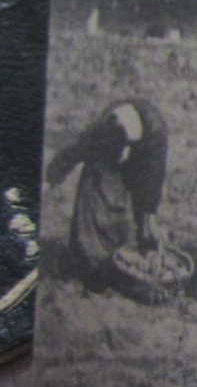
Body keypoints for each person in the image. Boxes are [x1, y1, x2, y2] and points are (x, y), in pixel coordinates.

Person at [45, 98, 169, 287]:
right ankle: (88, 261)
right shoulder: (101, 132)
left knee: (126, 209)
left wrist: (148, 215)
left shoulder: (155, 134)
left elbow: (153, 179)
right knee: (96, 202)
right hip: (103, 158)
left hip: (135, 161)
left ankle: (118, 256)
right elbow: (75, 151)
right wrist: (51, 177)